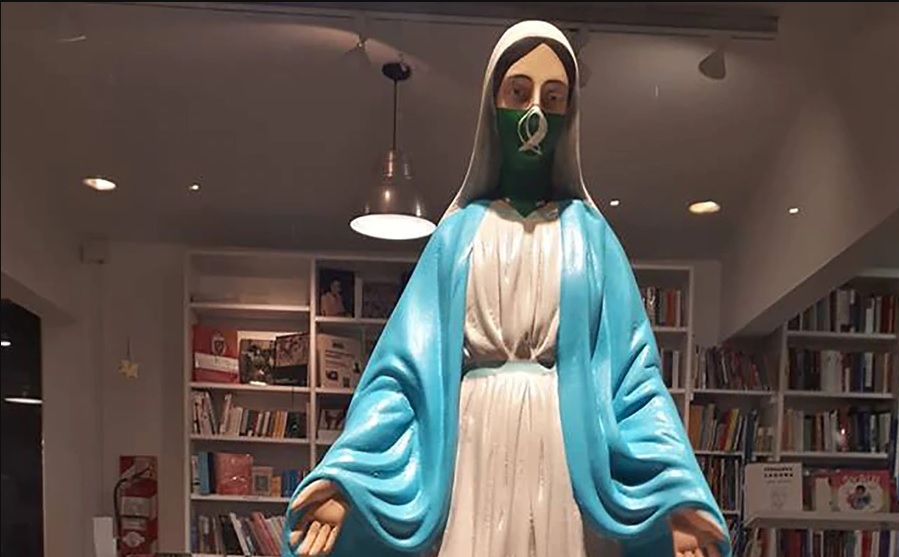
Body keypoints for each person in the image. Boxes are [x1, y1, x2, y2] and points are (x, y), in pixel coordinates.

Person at [283, 20, 730, 557]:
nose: (535, 112)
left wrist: (673, 497)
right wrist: (351, 480)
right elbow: (401, 378)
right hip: (473, 450)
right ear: (492, 105)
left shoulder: (591, 239)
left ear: (570, 115)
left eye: (554, 97)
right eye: (519, 92)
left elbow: (634, 383)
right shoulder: (457, 236)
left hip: (561, 453)